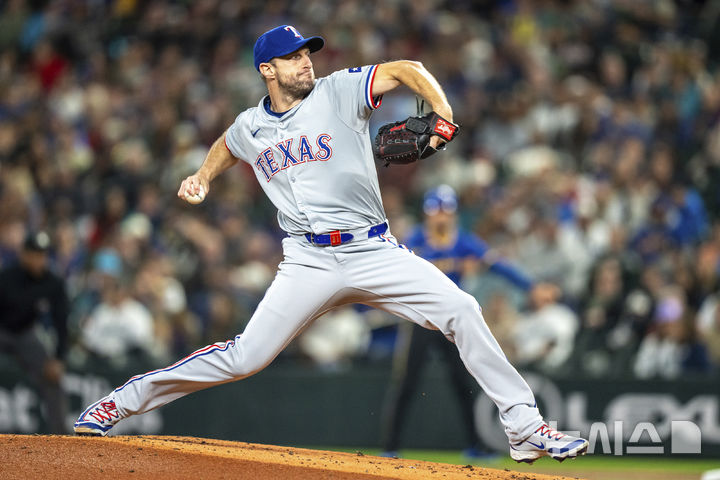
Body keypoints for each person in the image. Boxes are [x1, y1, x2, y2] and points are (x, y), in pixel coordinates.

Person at [74, 24, 588, 463]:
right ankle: (121, 402)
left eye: (306, 55)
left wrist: (442, 110)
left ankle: (525, 428)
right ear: (266, 71)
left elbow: (406, 67)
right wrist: (203, 176)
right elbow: (229, 144)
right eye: (292, 58)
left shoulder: (339, 91)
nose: (305, 63)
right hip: (308, 261)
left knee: (462, 308)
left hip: (372, 249)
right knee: (244, 358)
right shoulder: (251, 125)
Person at [380, 185, 559, 458]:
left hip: (452, 324)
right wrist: (455, 266)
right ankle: (390, 448)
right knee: (406, 383)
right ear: (427, 215)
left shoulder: (463, 241)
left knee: (464, 383)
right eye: (435, 211)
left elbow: (499, 265)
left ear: (453, 215)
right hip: (420, 321)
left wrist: (531, 287)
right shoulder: (416, 239)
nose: (440, 217)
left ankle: (475, 446)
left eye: (445, 211)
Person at [0, 231, 69, 434]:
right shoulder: (7, 277)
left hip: (25, 334)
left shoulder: (52, 283)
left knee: (53, 378)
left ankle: (62, 437)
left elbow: (61, 322)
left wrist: (58, 358)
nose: (40, 259)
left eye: (44, 255)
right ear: (24, 254)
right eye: (35, 254)